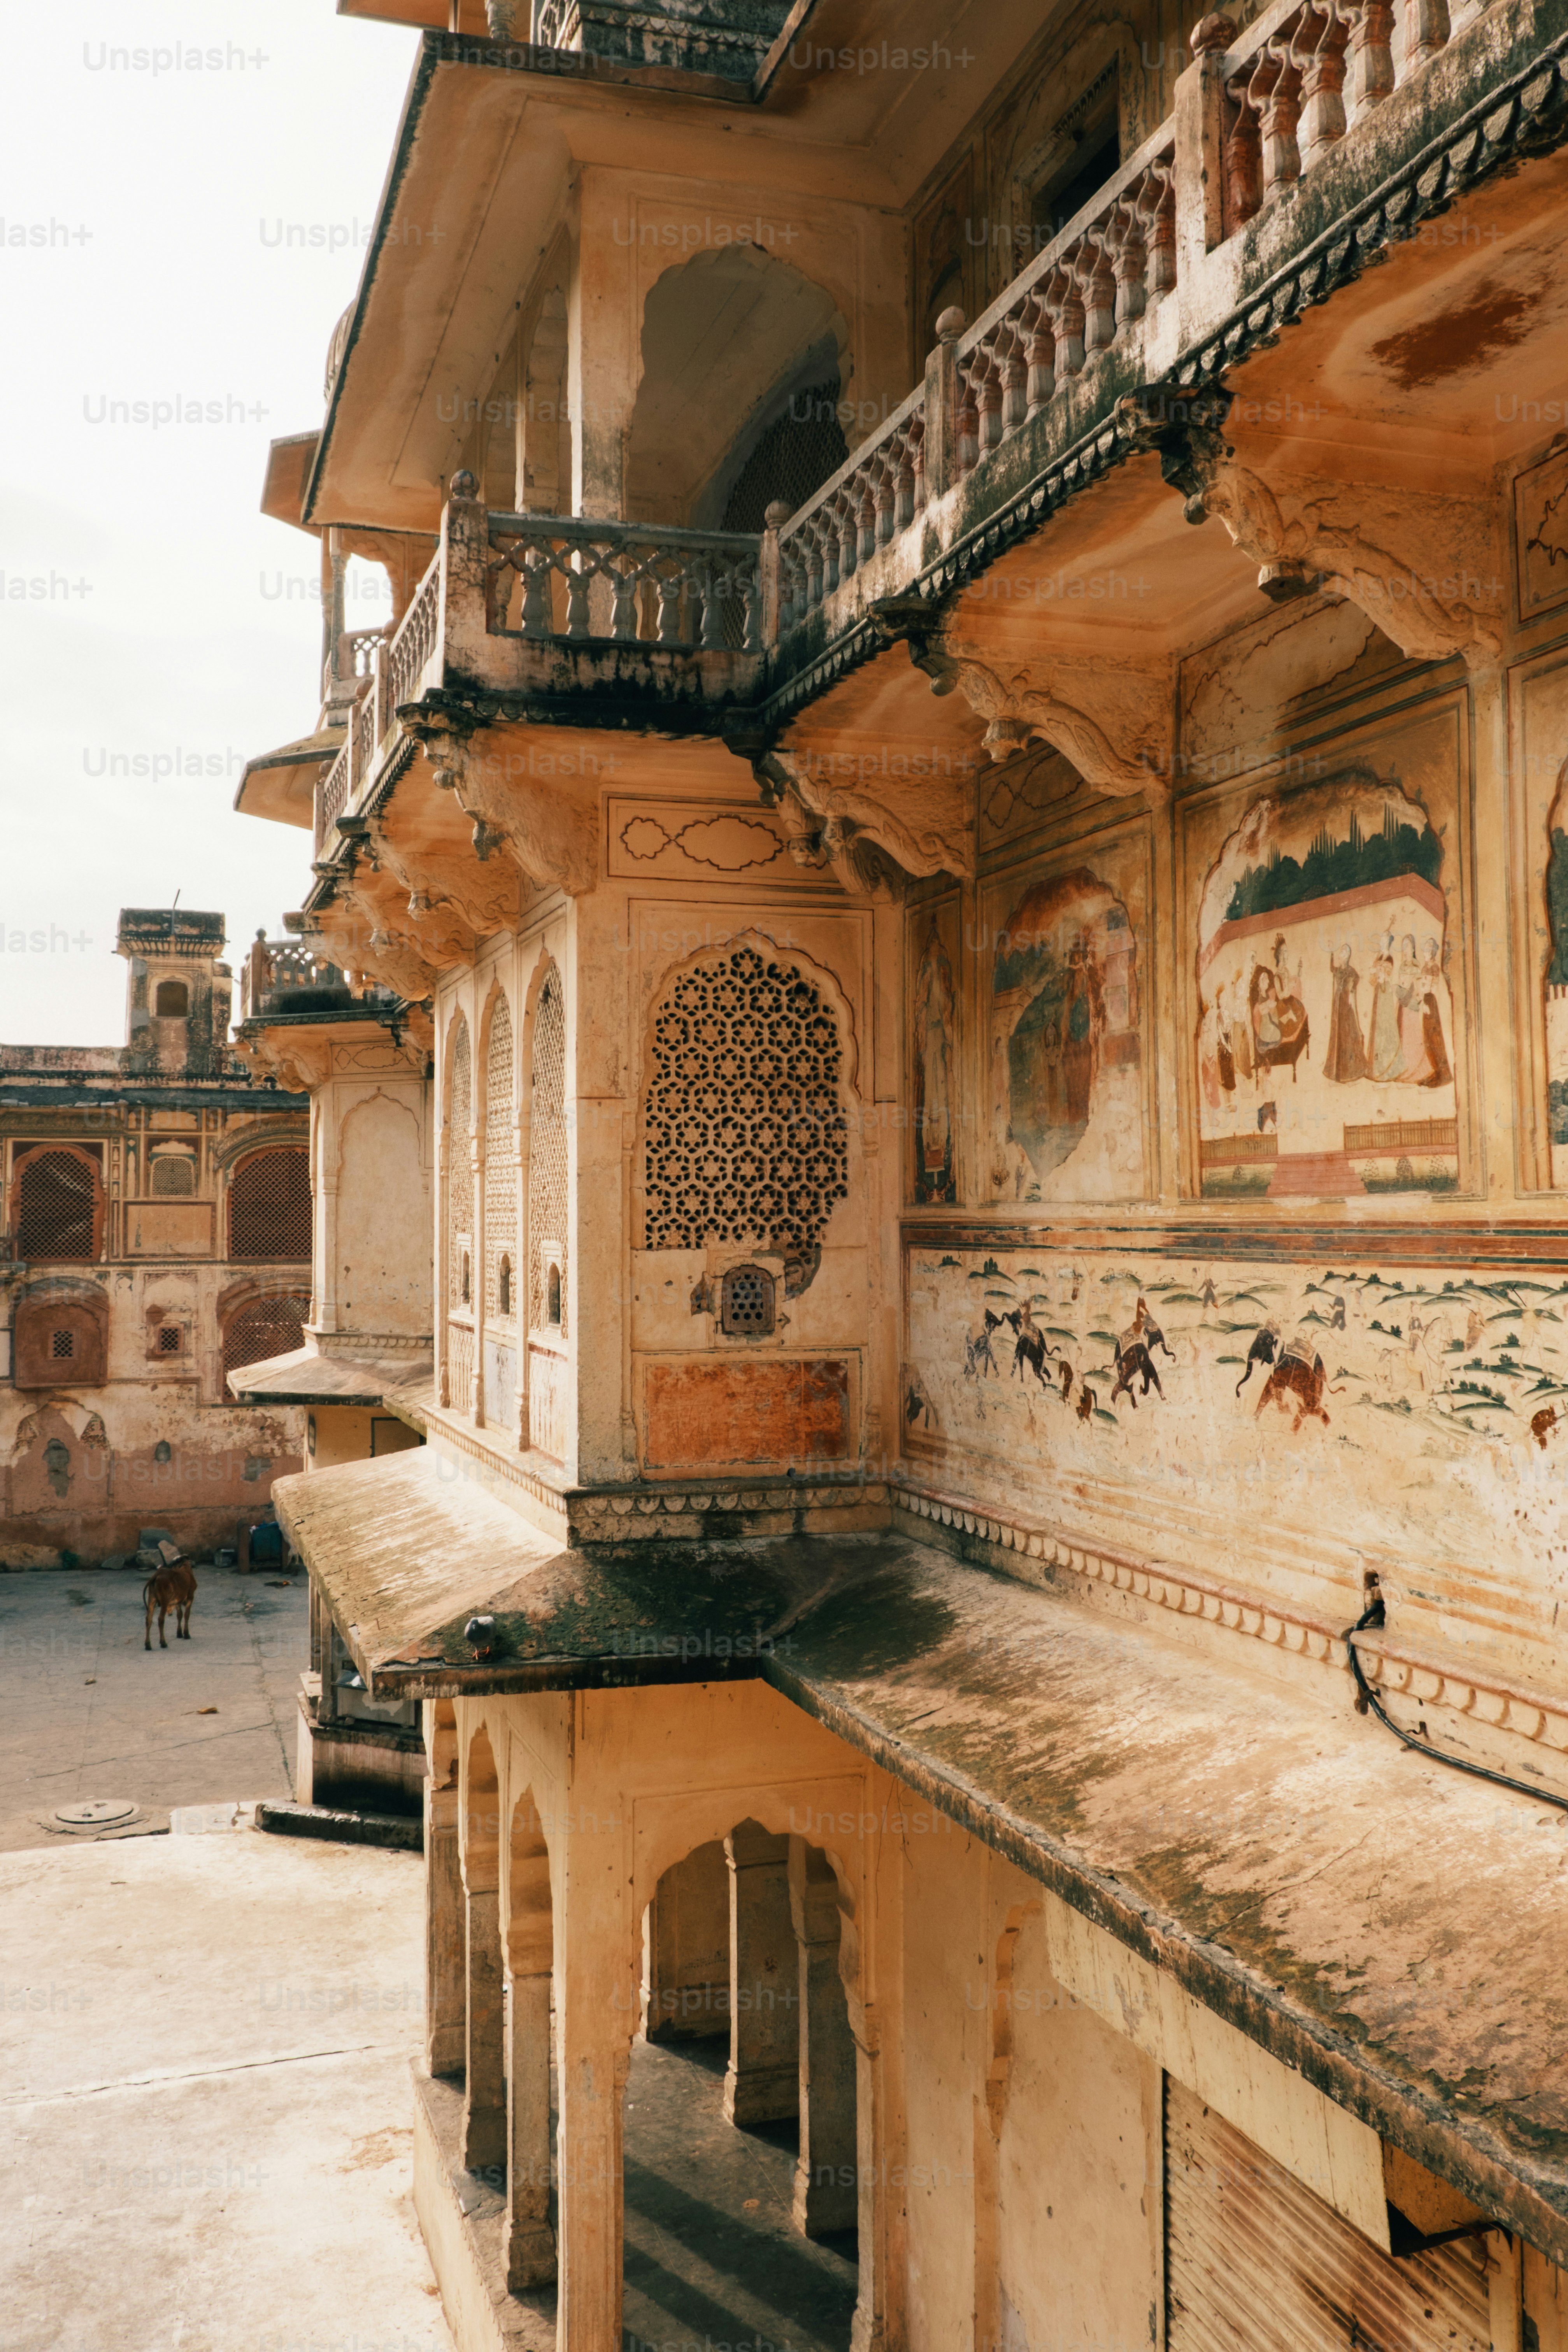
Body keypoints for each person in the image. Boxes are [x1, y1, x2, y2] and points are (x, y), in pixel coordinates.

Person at [1323, 942, 1368, 1082]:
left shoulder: (1352, 973)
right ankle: (1335, 1070)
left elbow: (1352, 997)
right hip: (1337, 1005)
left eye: (1343, 952)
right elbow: (1332, 969)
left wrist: (1356, 1020)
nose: (1340, 954)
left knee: (1347, 1038)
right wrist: (1331, 953)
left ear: (1348, 956)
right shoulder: (1339, 970)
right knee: (1337, 1037)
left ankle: (1349, 1072)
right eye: (1340, 952)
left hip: (1345, 1007)